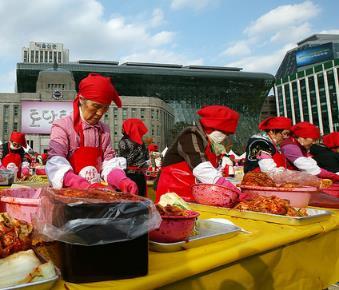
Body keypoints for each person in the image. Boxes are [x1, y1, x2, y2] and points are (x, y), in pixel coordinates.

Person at [46, 73, 138, 193]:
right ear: (81, 99)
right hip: (68, 195)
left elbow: (108, 163)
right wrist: (81, 185)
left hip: (96, 194)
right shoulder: (62, 126)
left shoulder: (104, 130)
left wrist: (121, 180)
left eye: (105, 108)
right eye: (96, 106)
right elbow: (56, 163)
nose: (100, 113)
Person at [155, 105, 241, 202]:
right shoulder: (191, 135)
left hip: (193, 193)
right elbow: (201, 168)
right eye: (225, 133)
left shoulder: (209, 142)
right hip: (172, 194)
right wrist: (227, 186)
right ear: (212, 128)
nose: (225, 137)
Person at [118, 118, 149, 196]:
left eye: (123, 127)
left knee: (129, 201)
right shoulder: (142, 143)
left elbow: (124, 161)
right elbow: (146, 158)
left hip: (129, 176)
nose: (122, 129)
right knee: (141, 200)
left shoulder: (124, 142)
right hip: (141, 176)